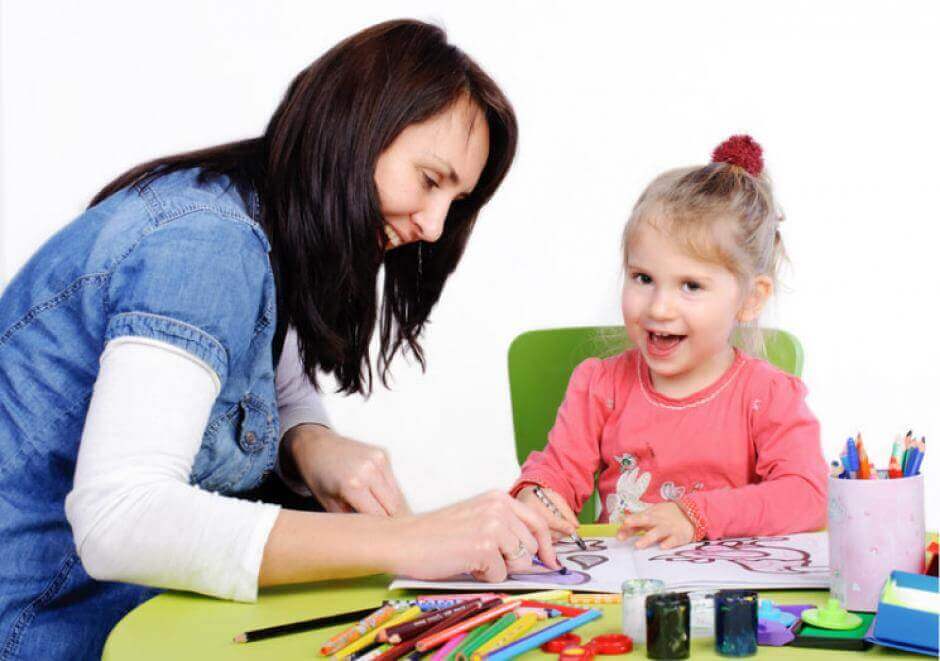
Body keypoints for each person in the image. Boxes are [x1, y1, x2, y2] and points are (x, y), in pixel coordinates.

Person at [0, 20, 557, 660]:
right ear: (352, 129)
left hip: (136, 611)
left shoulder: (267, 224)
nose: (433, 226)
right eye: (430, 181)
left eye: (454, 203)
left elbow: (275, 384)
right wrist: (416, 540)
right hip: (46, 628)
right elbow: (119, 519)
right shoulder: (208, 245)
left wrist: (308, 443)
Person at [513, 135, 828, 549]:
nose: (659, 308)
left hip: (726, 599)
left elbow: (809, 496)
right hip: (624, 593)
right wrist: (538, 499)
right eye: (643, 278)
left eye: (691, 286)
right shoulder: (599, 385)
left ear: (750, 299)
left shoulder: (767, 395)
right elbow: (557, 472)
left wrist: (696, 515)